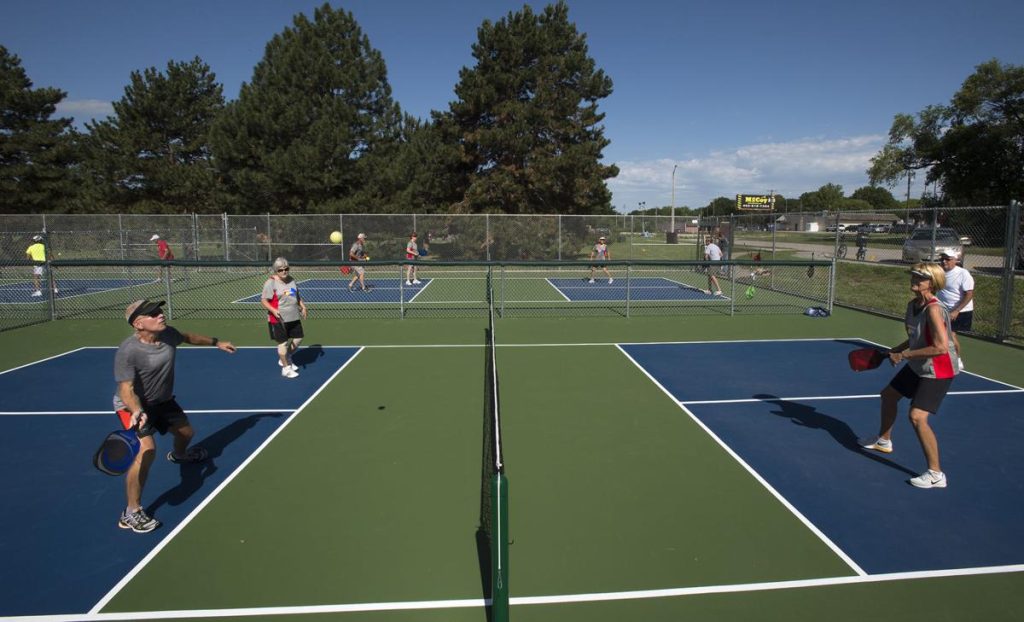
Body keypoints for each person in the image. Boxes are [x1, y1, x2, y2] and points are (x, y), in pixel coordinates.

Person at [113, 299, 237, 532]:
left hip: (163, 401)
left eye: (159, 311)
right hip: (133, 408)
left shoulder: (168, 334)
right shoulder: (128, 351)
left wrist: (216, 342)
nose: (161, 315)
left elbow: (188, 337)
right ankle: (131, 511)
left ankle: (179, 455)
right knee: (146, 451)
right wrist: (137, 411)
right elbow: (125, 389)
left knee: (186, 433)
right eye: (153, 314)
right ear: (138, 324)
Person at [859, 263, 959, 489]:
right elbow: (916, 338)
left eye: (920, 277)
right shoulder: (912, 305)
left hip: (938, 369)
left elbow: (941, 347)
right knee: (889, 395)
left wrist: (904, 354)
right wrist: (896, 350)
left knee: (917, 417)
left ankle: (936, 474)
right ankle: (884, 440)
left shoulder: (934, 309)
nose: (914, 279)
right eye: (913, 275)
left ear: (932, 282)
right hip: (918, 364)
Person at [261, 257, 308, 378]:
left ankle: (285, 358)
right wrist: (273, 310)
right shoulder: (270, 282)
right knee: (283, 343)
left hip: (293, 316)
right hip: (278, 318)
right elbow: (264, 300)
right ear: (276, 270)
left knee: (298, 338)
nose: (284, 271)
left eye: (286, 269)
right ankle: (286, 368)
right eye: (280, 270)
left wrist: (303, 306)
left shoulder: (291, 280)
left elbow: (295, 295)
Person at [937, 250, 973, 369]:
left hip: (960, 311)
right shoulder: (939, 271)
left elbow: (969, 294)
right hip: (943, 309)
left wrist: (956, 310)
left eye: (947, 259)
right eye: (942, 258)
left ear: (955, 260)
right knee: (940, 334)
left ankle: (957, 360)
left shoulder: (963, 273)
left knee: (950, 336)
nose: (944, 261)